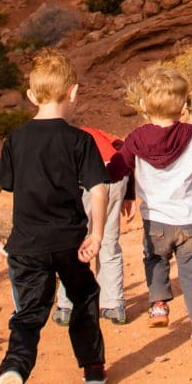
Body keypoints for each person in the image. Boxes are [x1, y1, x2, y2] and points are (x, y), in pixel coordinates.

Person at [0, 48, 108, 384]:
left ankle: (13, 370)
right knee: (84, 296)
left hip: (26, 246)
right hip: (70, 243)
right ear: (74, 92)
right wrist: (96, 234)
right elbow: (99, 189)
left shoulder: (16, 140)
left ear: (32, 96)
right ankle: (93, 369)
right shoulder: (80, 140)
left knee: (29, 315)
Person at [107, 62, 192, 372]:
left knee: (155, 260)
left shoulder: (137, 138)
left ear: (143, 105)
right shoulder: (191, 134)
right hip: (190, 222)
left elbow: (115, 170)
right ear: (182, 106)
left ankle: (158, 305)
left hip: (156, 222)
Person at [54, 122, 130, 327]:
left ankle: (67, 306)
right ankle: (114, 305)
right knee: (109, 241)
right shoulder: (97, 132)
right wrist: (129, 194)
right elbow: (124, 149)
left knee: (76, 243)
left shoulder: (63, 138)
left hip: (90, 181)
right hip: (116, 178)